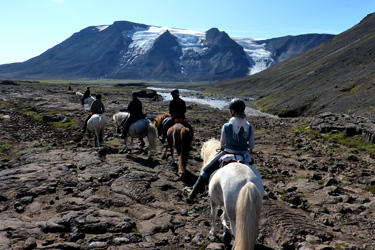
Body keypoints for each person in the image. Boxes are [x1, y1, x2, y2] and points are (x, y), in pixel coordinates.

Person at [184, 98, 255, 202]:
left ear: (233, 111)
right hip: (245, 156)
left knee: (206, 170)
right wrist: (243, 144)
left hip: (228, 153)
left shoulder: (226, 125)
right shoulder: (249, 127)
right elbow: (252, 146)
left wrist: (225, 147)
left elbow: (222, 144)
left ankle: (192, 194)